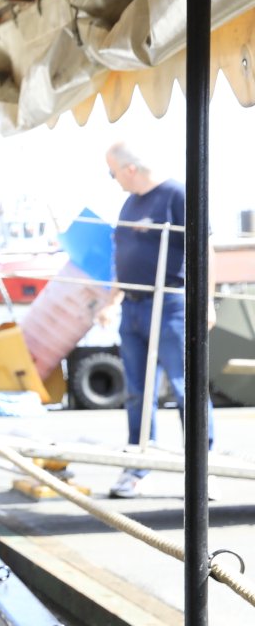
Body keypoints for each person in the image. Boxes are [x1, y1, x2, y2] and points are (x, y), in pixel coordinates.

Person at [105, 141, 214, 500]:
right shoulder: (128, 204)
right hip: (132, 307)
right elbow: (124, 256)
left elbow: (205, 248)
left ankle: (203, 469)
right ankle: (138, 467)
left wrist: (206, 302)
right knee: (137, 391)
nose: (113, 179)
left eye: (112, 173)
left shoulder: (176, 196)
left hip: (169, 304)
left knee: (186, 388)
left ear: (130, 169)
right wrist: (112, 300)